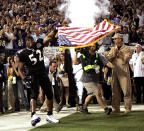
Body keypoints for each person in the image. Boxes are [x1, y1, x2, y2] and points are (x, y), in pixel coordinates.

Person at [17, 33, 59, 126]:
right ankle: (33, 116)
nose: (30, 42)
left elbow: (48, 37)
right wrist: (24, 79)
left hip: (43, 73)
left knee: (49, 93)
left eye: (31, 40)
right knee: (34, 95)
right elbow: (20, 69)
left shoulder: (38, 44)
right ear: (25, 42)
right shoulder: (23, 53)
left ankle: (49, 115)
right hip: (33, 75)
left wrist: (55, 30)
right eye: (28, 40)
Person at [73, 43, 113, 114]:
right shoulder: (83, 56)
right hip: (87, 79)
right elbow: (75, 62)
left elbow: (106, 63)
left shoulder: (98, 56)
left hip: (95, 79)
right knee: (97, 93)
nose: (92, 47)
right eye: (91, 46)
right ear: (88, 47)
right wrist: (76, 53)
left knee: (91, 94)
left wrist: (113, 67)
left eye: (94, 46)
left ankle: (84, 107)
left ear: (96, 47)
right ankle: (106, 109)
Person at [106, 33, 133, 114]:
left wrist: (118, 53)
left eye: (115, 39)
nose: (114, 40)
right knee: (115, 91)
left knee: (126, 91)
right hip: (114, 72)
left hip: (124, 72)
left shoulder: (127, 48)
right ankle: (115, 108)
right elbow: (108, 59)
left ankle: (127, 108)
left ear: (120, 39)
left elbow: (126, 59)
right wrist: (112, 54)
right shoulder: (113, 48)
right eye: (113, 39)